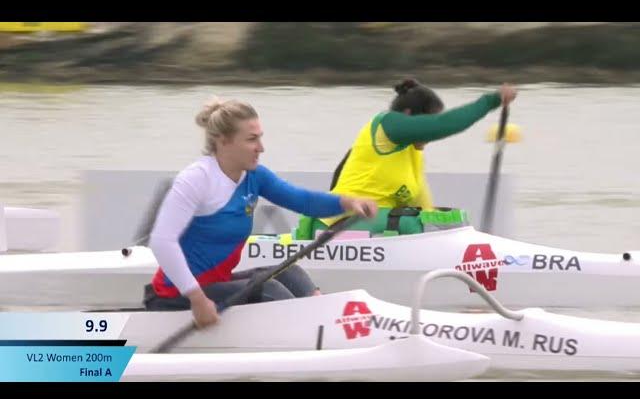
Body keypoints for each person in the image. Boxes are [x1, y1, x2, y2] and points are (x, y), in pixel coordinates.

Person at [144, 96, 377, 328]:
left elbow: (302, 201)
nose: (261, 148)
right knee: (268, 289)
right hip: (176, 294)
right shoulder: (196, 179)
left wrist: (348, 203)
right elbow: (161, 241)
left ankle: (326, 324)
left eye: (260, 138)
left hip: (217, 284)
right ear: (224, 141)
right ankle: (310, 334)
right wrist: (197, 298)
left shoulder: (254, 176)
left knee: (290, 273)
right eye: (252, 139)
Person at [307, 79, 517, 236]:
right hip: (336, 225)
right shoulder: (385, 125)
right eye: (428, 120)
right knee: (412, 223)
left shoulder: (414, 155)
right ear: (408, 115)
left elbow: (426, 212)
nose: (429, 134)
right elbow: (444, 125)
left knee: (446, 221)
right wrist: (491, 100)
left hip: (372, 227)